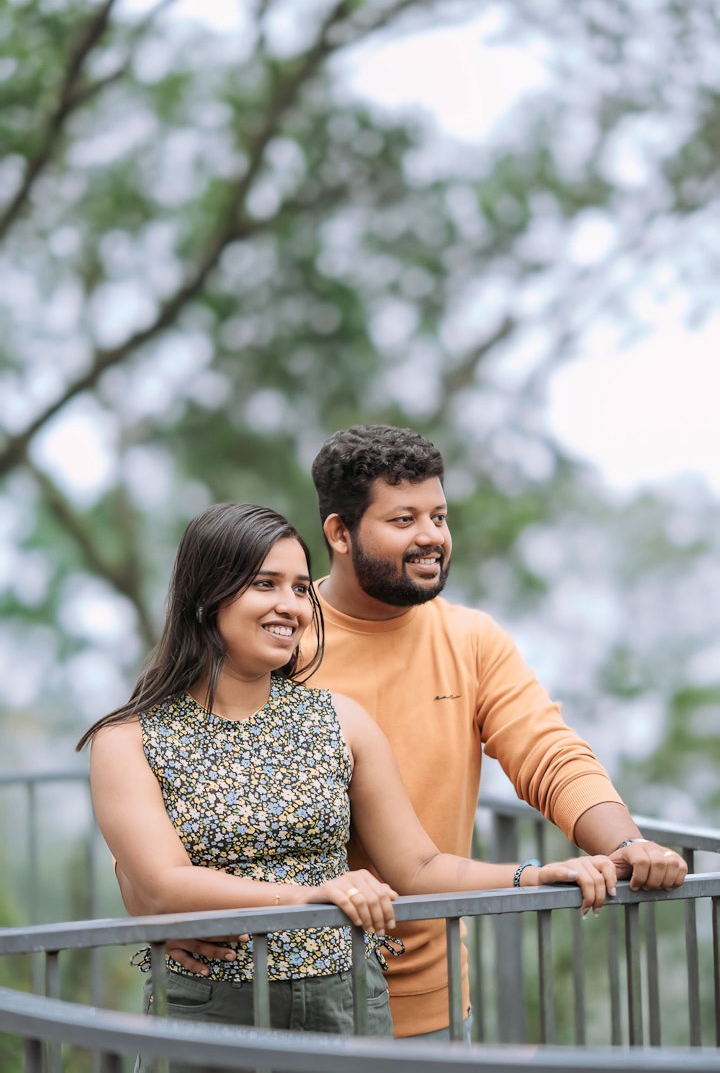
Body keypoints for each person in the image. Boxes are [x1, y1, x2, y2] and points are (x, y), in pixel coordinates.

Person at [160, 426, 688, 1044]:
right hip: (278, 988)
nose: (432, 536)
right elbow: (169, 768)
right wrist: (157, 906)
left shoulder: (471, 639)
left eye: (439, 515)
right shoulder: (276, 637)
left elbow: (549, 751)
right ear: (340, 533)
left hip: (431, 995)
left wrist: (625, 844)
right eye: (404, 518)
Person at [79, 500, 618, 1069]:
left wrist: (530, 876)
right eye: (265, 584)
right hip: (210, 1007)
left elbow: (418, 867)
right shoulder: (128, 738)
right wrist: (310, 898)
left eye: (298, 587)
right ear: (206, 595)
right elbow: (163, 883)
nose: (290, 605)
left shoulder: (340, 718)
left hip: (346, 1000)